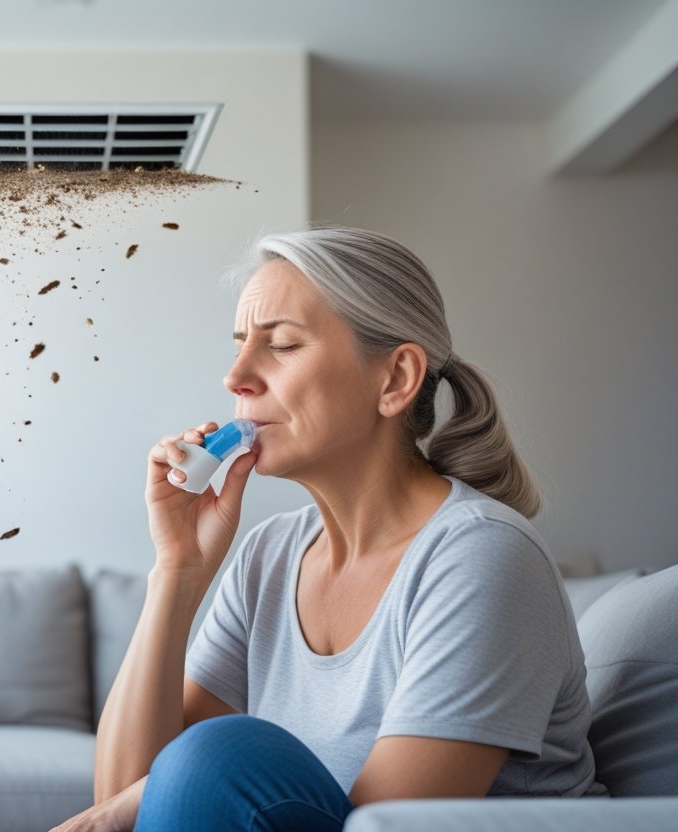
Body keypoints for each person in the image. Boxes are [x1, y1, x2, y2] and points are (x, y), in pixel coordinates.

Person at [50, 226, 606, 832]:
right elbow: (128, 796)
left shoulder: (483, 556)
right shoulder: (271, 554)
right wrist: (177, 572)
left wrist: (135, 804)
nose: (236, 377)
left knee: (217, 757)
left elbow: (387, 824)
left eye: (282, 345)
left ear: (394, 380)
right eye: (238, 346)